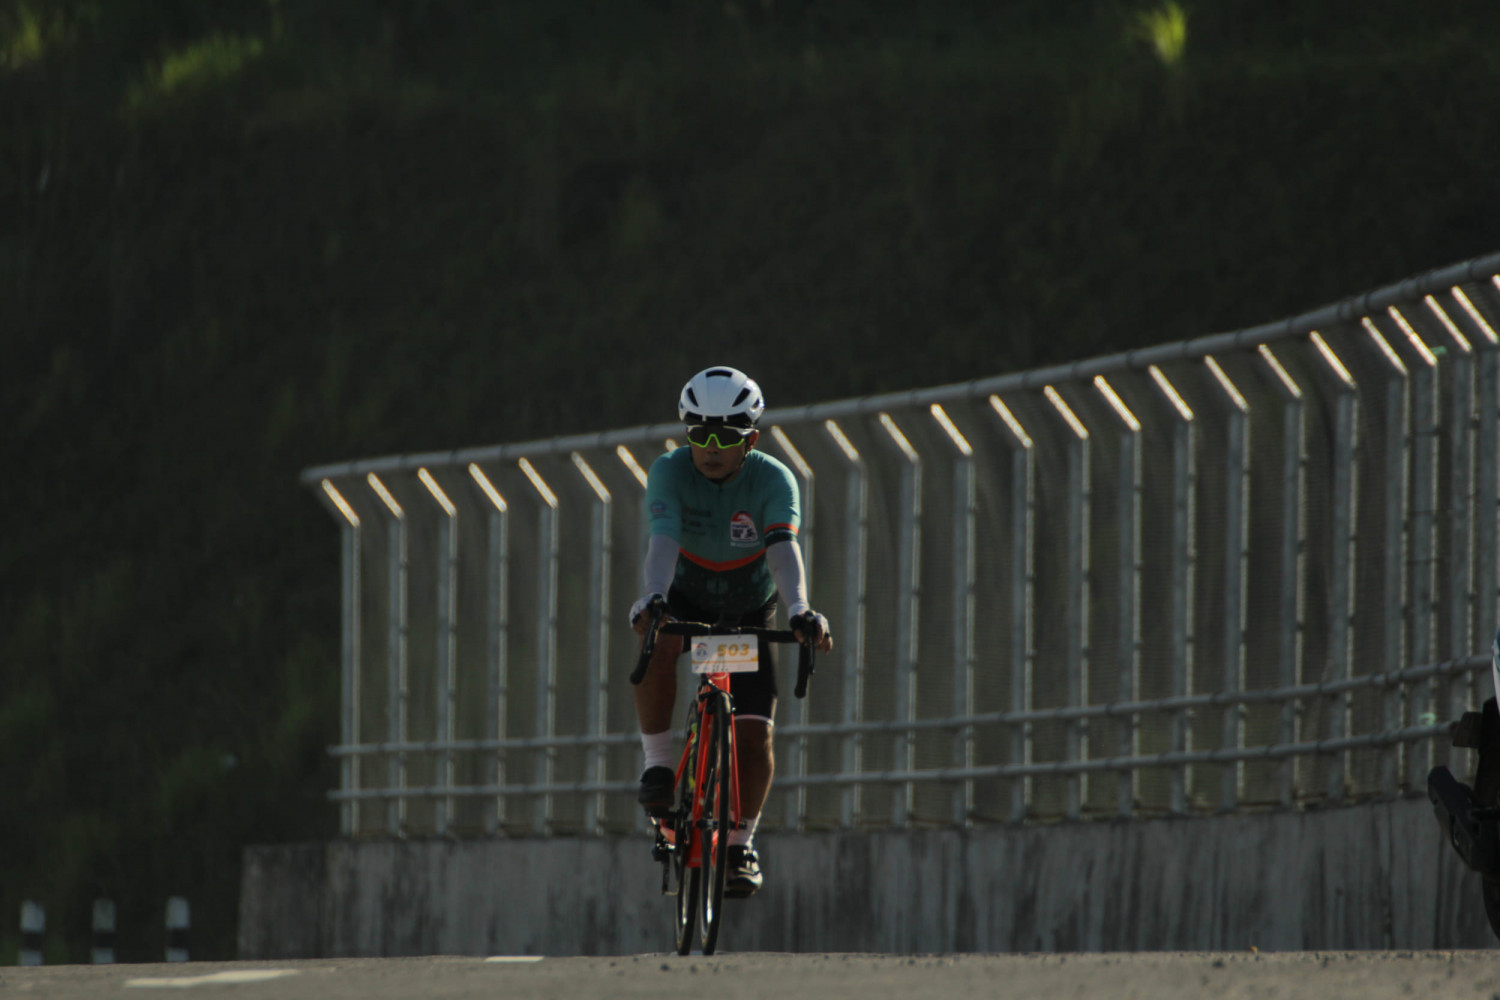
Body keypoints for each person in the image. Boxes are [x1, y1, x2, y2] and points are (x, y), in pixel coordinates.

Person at [629, 365, 833, 898]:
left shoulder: (773, 479)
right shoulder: (670, 471)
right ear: (687, 434)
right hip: (684, 593)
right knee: (657, 640)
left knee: (754, 732)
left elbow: (783, 550)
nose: (712, 448)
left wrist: (800, 609)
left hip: (749, 605)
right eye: (700, 434)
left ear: (752, 440)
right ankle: (658, 766)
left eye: (727, 436)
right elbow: (662, 542)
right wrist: (653, 597)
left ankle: (741, 842)